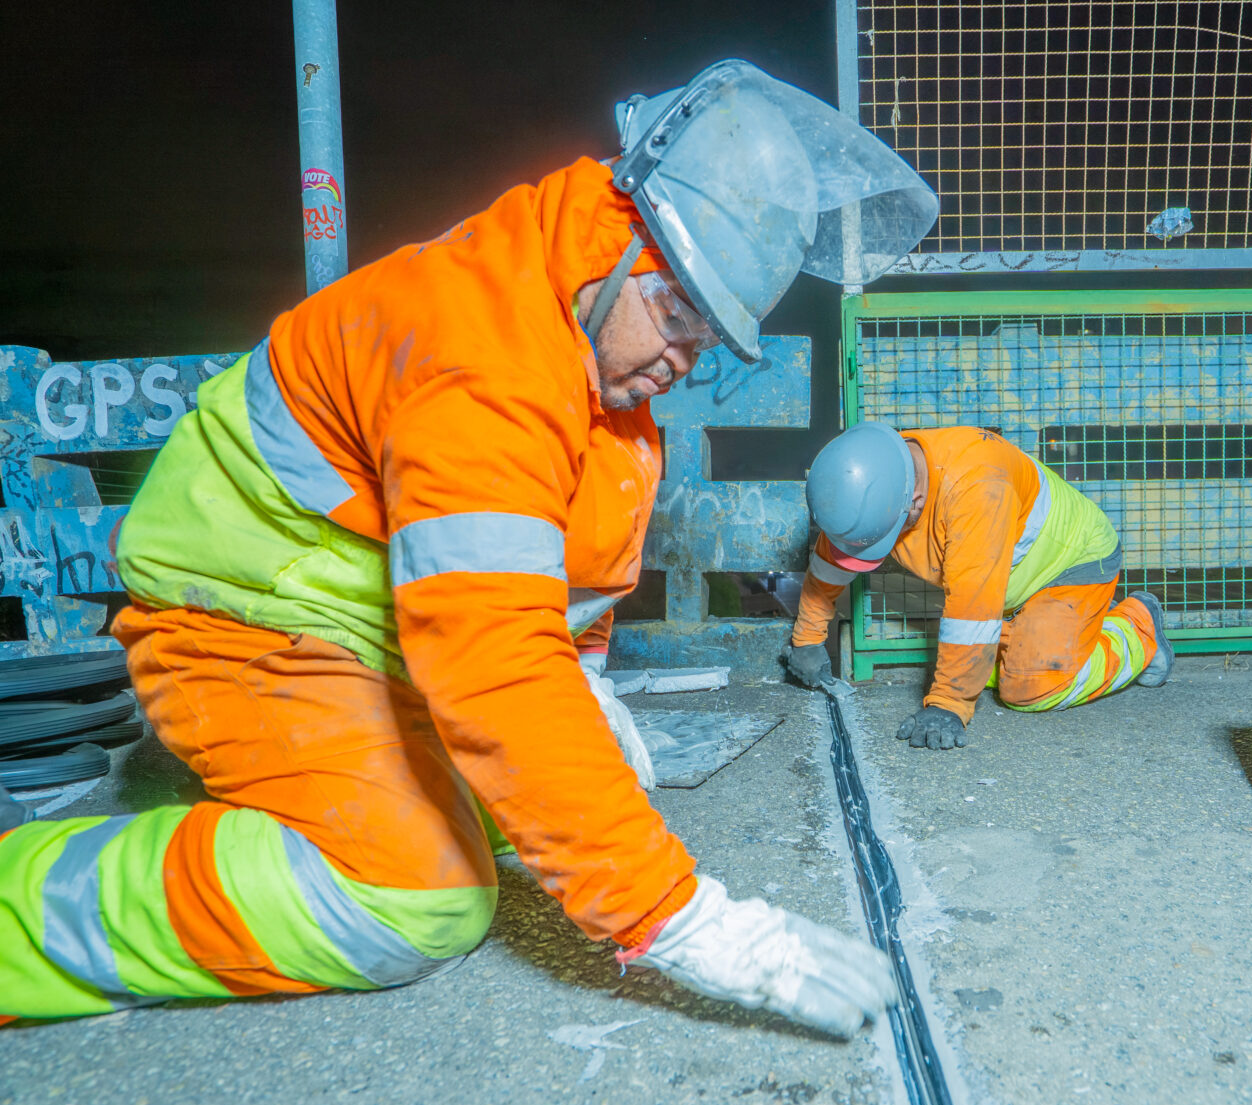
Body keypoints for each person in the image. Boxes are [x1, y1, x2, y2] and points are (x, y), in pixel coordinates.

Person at [0, 61, 937, 1033]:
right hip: (241, 618)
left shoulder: (595, 359)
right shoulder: (483, 360)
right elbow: (492, 659)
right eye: (676, 317)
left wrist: (584, 677)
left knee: (542, 805)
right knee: (417, 896)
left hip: (363, 616)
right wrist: (676, 919)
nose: (681, 361)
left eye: (707, 341)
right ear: (622, 245)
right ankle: (23, 918)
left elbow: (576, 554)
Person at [780, 423, 1173, 747]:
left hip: (1071, 566)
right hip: (1010, 580)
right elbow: (832, 561)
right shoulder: (881, 470)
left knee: (1029, 688)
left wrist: (949, 704)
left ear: (915, 500)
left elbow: (972, 611)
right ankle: (1056, 631)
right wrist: (808, 639)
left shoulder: (977, 491)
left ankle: (1137, 626)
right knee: (979, 663)